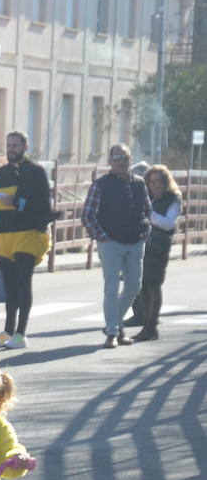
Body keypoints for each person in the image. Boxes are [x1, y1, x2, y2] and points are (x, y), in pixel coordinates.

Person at [0, 131, 53, 350]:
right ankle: (7, 331)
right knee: (8, 285)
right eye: (8, 145)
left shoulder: (36, 172)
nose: (11, 149)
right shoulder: (2, 173)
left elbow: (43, 205)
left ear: (25, 146)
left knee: (24, 283)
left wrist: (18, 201)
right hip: (4, 234)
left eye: (15, 145)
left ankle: (21, 333)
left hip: (28, 234)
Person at [81, 144, 151, 349]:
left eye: (125, 156)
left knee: (134, 286)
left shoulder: (139, 183)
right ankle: (113, 332)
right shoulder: (101, 185)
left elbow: (147, 209)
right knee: (111, 289)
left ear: (131, 159)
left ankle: (115, 323)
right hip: (110, 242)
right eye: (117, 157)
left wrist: (145, 232)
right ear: (110, 161)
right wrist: (102, 237)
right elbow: (87, 215)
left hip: (135, 241)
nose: (121, 160)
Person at [132, 165, 182, 342]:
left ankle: (152, 325)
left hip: (159, 245)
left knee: (153, 284)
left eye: (158, 181)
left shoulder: (173, 199)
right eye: (151, 182)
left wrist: (148, 213)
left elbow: (169, 223)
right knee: (143, 284)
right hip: (143, 243)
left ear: (165, 181)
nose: (155, 185)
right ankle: (147, 324)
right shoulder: (148, 197)